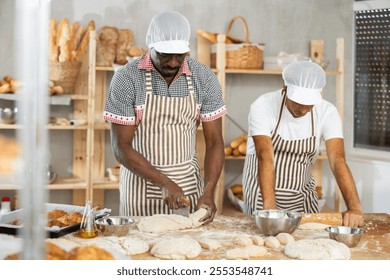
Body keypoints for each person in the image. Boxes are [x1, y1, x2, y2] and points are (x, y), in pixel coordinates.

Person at [103, 11, 226, 224]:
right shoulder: (127, 78)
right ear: (150, 44)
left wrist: (209, 191)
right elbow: (120, 146)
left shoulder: (203, 78)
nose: (172, 63)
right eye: (165, 55)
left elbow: (215, 142)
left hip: (189, 190)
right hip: (140, 192)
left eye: (180, 55)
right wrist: (164, 183)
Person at [242, 61, 363, 227]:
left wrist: (354, 207)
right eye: (298, 102)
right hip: (262, 194)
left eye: (309, 104)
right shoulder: (263, 106)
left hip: (302, 194)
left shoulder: (327, 112)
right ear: (285, 87)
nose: (304, 110)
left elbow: (337, 161)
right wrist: (269, 211)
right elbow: (265, 157)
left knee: (310, 241)